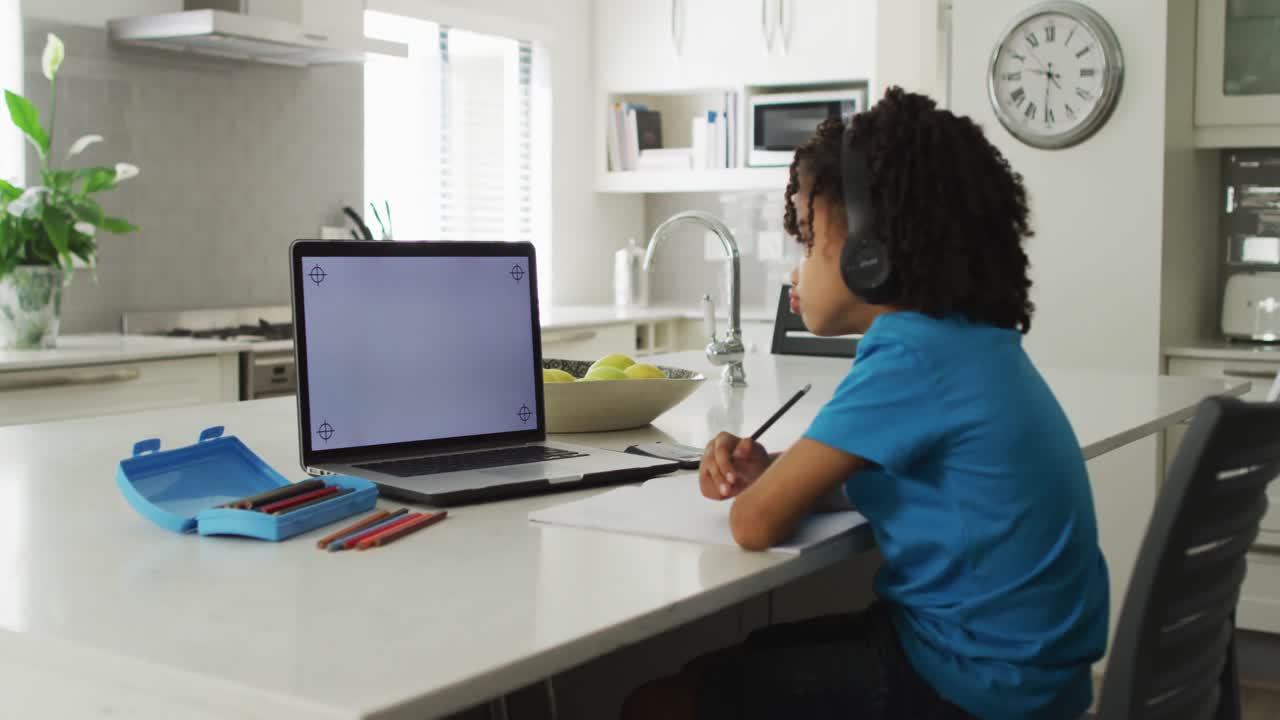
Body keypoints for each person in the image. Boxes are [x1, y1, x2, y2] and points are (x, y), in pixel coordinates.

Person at [621, 87, 1109, 720]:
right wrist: (775, 472)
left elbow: (754, 525)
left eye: (807, 243)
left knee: (657, 702)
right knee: (717, 667)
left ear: (870, 253)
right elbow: (878, 483)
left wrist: (767, 492)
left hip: (970, 685)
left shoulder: (909, 355)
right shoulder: (967, 340)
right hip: (1024, 674)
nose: (796, 271)